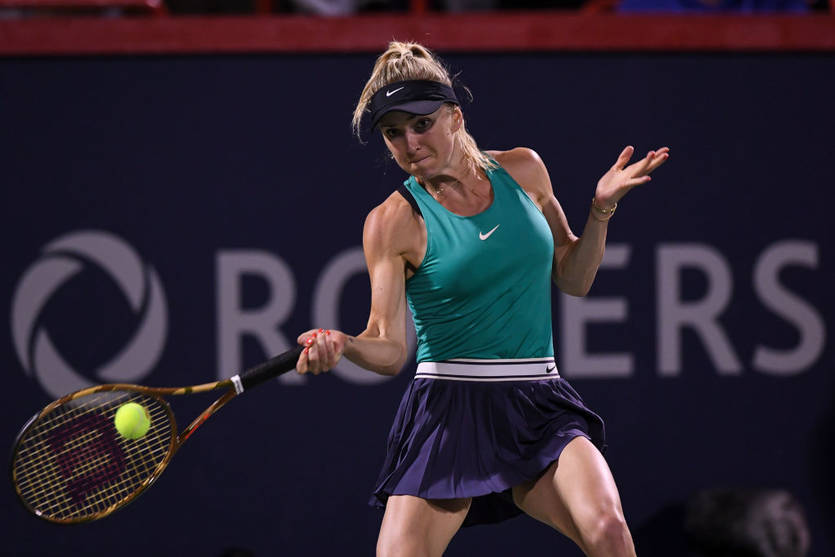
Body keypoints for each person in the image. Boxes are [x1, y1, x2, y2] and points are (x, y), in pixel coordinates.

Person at [295, 41, 669, 557]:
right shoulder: (392, 221)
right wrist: (345, 344)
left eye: (421, 124)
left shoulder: (524, 170)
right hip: (449, 410)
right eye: (393, 133)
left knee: (608, 530)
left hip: (539, 401)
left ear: (455, 117)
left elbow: (573, 278)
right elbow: (389, 348)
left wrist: (600, 211)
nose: (409, 144)